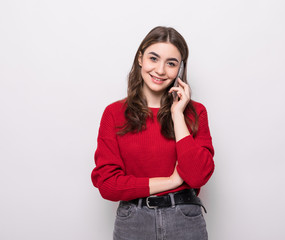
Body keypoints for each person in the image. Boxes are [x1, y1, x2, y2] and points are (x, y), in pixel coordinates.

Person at [91, 26, 215, 240]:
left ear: (180, 69)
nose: (160, 70)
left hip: (185, 220)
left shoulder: (195, 113)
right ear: (140, 58)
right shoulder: (114, 113)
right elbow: (108, 185)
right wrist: (172, 181)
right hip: (134, 222)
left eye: (171, 63)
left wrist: (178, 114)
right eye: (153, 58)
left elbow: (197, 176)